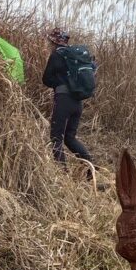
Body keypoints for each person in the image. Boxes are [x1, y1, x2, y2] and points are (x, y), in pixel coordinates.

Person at [42, 27, 95, 169]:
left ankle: (62, 173)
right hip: (78, 102)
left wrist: (59, 84)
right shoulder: (75, 56)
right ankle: (91, 168)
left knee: (56, 137)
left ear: (53, 42)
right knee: (69, 138)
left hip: (63, 101)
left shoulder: (57, 55)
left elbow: (46, 79)